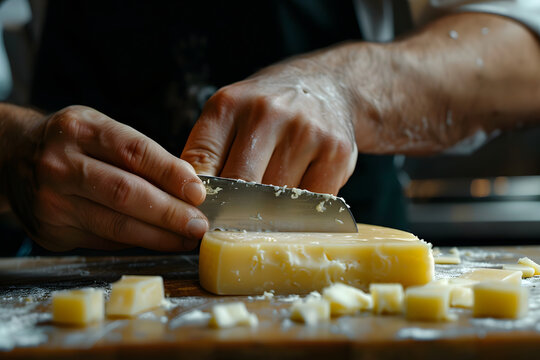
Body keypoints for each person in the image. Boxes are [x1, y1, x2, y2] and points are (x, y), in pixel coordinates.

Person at [0, 0, 539, 254]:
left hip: (346, 301)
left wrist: (344, 89)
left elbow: (524, 53)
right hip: (82, 291)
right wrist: (11, 148)